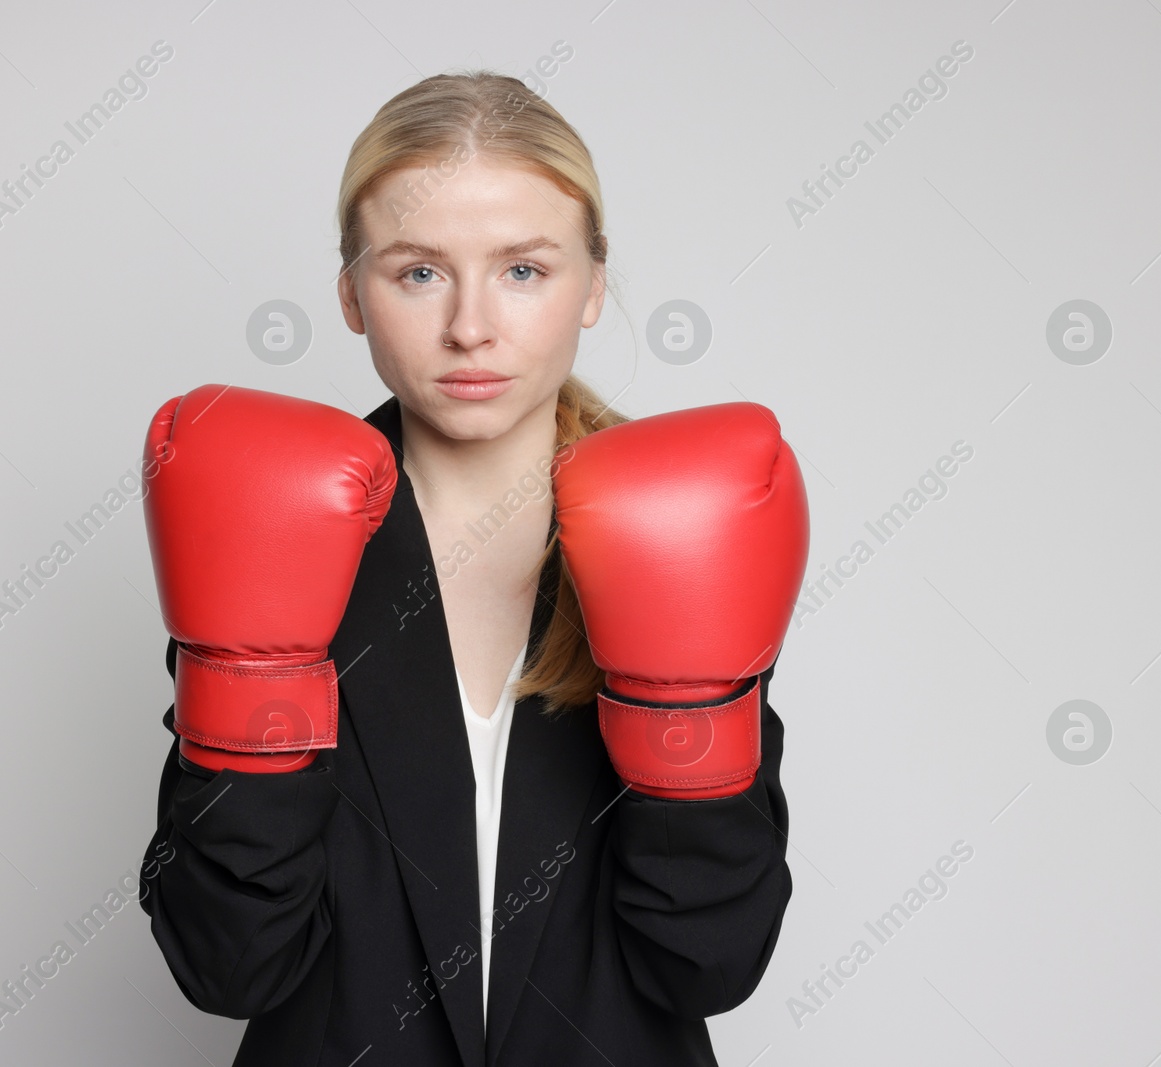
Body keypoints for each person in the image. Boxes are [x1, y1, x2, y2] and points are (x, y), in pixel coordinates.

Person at [137, 71, 809, 1066]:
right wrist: (253, 684)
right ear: (351, 295)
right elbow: (231, 965)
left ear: (593, 286)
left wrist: (691, 710)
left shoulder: (678, 527)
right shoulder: (268, 526)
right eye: (418, 271)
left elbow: (707, 960)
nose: (469, 326)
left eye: (523, 269)